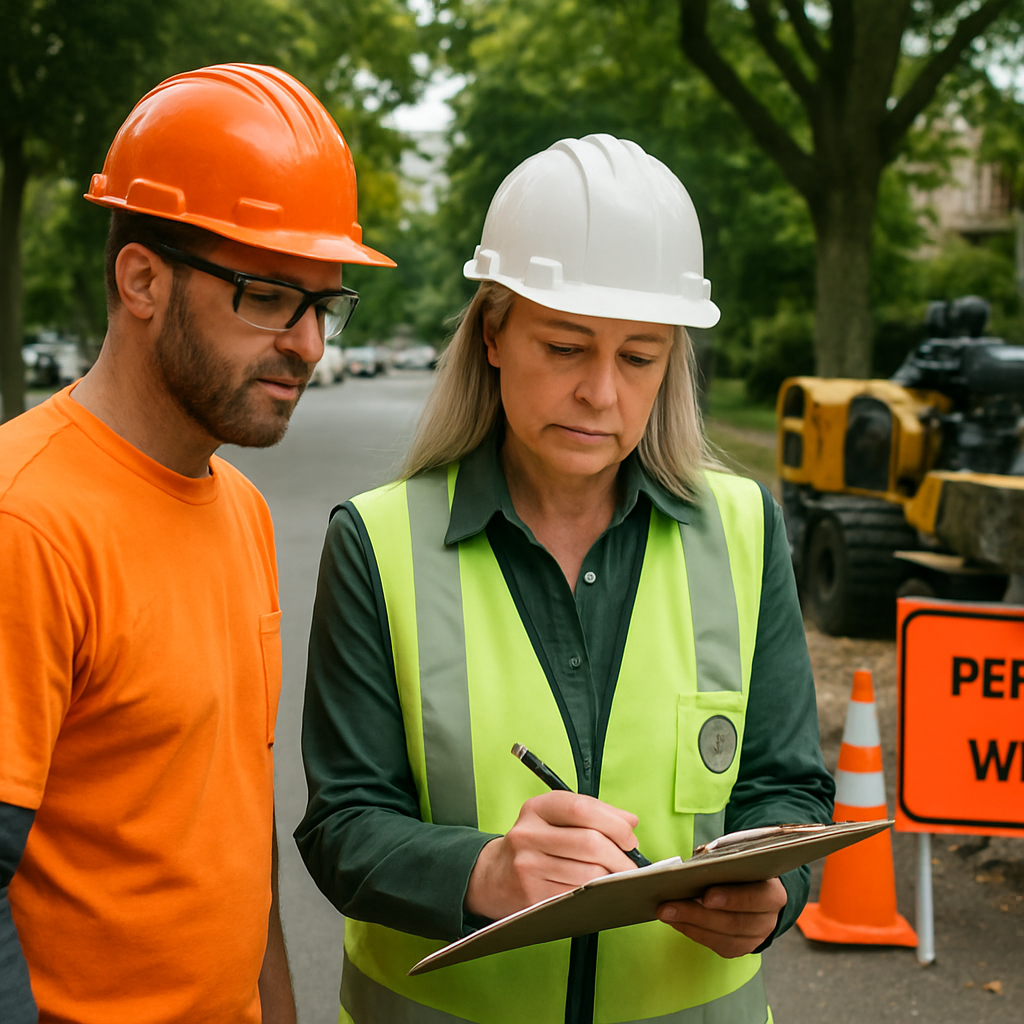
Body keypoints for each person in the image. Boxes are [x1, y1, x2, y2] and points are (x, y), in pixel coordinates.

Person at [295, 134, 834, 1023]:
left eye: (639, 356)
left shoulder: (744, 530)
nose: (602, 395)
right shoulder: (377, 541)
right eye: (566, 346)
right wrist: (483, 872)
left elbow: (790, 784)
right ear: (495, 332)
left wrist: (779, 892)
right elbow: (345, 824)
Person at [0, 63, 394, 1024]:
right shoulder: (25, 519)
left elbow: (231, 826)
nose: (309, 344)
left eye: (326, 304)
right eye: (269, 296)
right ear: (141, 278)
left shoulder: (243, 511)